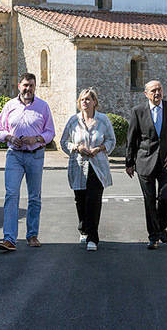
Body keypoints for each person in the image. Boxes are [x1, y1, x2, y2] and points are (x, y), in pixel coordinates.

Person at [0, 73, 55, 252]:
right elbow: (1, 129)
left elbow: (50, 132)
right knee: (11, 195)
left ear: (35, 87)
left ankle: (32, 235)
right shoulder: (9, 105)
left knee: (34, 197)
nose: (28, 89)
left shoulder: (43, 107)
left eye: (31, 86)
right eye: (25, 85)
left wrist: (36, 138)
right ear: (19, 85)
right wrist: (9, 137)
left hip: (35, 155)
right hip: (14, 155)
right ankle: (9, 239)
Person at [125, 80, 167, 250]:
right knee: (149, 200)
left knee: (166, 197)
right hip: (144, 161)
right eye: (153, 91)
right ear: (146, 94)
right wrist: (129, 162)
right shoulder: (138, 111)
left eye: (159, 90)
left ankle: (161, 227)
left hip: (166, 161)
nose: (157, 93)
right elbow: (132, 138)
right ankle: (153, 236)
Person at [60, 88, 116, 252]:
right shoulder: (73, 121)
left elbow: (112, 140)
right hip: (78, 165)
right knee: (81, 199)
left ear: (94, 102)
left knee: (94, 200)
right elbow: (64, 142)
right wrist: (76, 147)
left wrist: (99, 148)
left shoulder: (103, 120)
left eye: (88, 99)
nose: (85, 102)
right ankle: (83, 229)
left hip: (97, 166)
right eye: (82, 100)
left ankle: (93, 237)